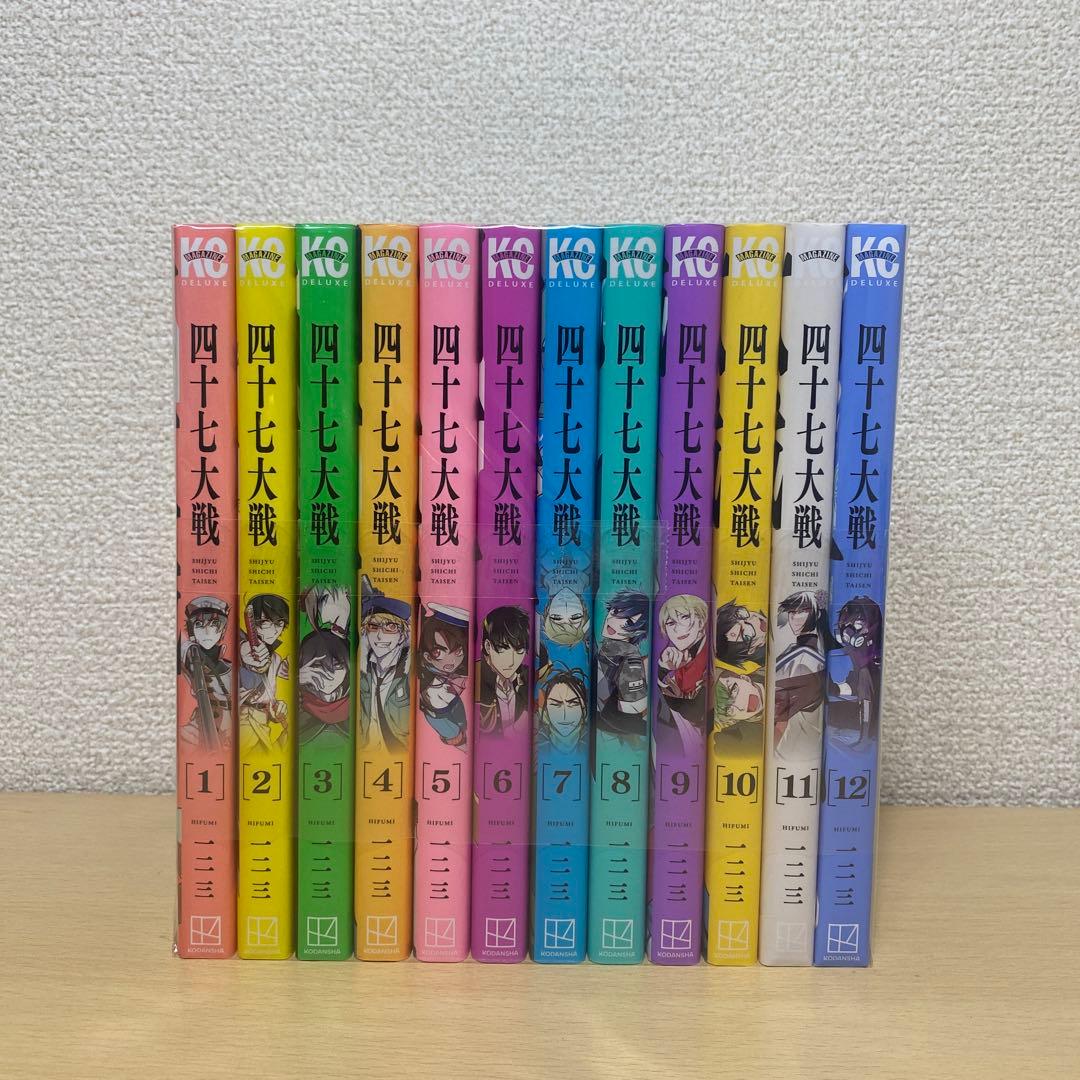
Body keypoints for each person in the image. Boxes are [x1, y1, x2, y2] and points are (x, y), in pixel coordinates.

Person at [358, 583, 411, 754]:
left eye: (390, 627)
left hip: (398, 754)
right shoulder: (363, 671)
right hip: (367, 753)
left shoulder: (408, 673)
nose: (379, 636)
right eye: (373, 626)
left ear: (402, 635)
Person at [297, 587, 352, 747]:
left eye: (337, 666)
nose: (328, 674)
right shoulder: (300, 717)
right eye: (318, 666)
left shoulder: (355, 716)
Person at [655, 594, 709, 752]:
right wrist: (664, 668)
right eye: (671, 623)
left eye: (685, 617)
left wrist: (663, 671)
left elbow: (694, 713)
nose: (678, 628)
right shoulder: (681, 659)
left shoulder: (707, 655)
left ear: (701, 621)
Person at [595, 590, 649, 742]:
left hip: (617, 727)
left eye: (629, 622)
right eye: (616, 611)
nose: (615, 621)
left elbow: (633, 707)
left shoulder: (630, 657)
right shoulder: (606, 648)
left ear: (638, 631)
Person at [238, 593, 290, 754]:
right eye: (266, 622)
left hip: (264, 723)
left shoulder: (276, 658)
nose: (274, 630)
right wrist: (243, 652)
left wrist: (276, 708)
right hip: (243, 723)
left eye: (279, 623)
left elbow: (268, 693)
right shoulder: (242, 650)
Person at [178, 596, 231, 749]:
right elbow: (180, 642)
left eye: (214, 624)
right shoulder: (190, 657)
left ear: (222, 630)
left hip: (229, 729)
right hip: (200, 728)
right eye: (199, 625)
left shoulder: (230, 667)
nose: (207, 631)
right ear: (192, 630)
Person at [418, 605, 469, 748]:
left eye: (458, 651)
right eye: (439, 652)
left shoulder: (450, 676)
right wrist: (458, 739)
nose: (451, 661)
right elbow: (443, 723)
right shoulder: (434, 689)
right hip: (456, 737)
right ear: (427, 656)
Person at [477, 606, 530, 739]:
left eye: (519, 651)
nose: (511, 662)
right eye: (502, 649)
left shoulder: (525, 677)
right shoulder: (476, 678)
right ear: (487, 646)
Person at [536, 668, 588, 754]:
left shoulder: (596, 741)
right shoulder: (536, 743)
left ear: (584, 708)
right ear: (546, 710)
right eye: (555, 704)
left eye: (573, 704)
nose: (565, 715)